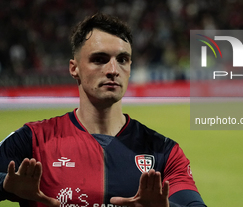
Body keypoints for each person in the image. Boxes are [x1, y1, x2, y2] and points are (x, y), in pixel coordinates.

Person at [0, 13, 206, 207]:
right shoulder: (33, 140)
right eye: (99, 59)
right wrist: (4, 185)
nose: (113, 70)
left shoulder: (164, 152)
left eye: (122, 60)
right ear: (74, 68)